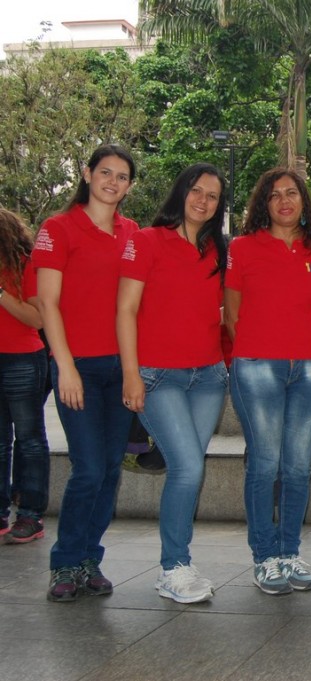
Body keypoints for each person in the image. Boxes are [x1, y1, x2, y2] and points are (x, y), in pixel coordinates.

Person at [117, 163, 229, 603]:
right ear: (181, 192)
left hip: (208, 377)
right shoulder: (146, 241)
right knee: (187, 467)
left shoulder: (217, 249)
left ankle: (178, 562)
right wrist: (131, 375)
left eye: (213, 196)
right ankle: (174, 567)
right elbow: (125, 310)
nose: (203, 201)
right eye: (196, 191)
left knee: (188, 467)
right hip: (157, 375)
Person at [32, 144, 139, 602]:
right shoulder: (58, 229)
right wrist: (65, 367)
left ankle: (89, 559)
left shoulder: (131, 233)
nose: (112, 182)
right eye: (105, 172)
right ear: (86, 173)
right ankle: (64, 562)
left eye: (122, 176)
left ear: (129, 186)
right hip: (78, 368)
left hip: (121, 367)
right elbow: (47, 303)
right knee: (89, 468)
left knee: (111, 469)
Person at [225, 168, 311, 595]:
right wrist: (260, 347)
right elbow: (232, 313)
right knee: (264, 463)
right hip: (257, 366)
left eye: (292, 193)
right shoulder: (242, 248)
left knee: (298, 467)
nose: (284, 201)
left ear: (303, 202)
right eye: (274, 195)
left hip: (309, 368)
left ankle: (290, 552)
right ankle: (265, 557)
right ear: (264, 204)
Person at [0, 208, 49, 544]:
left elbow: (37, 318)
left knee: (29, 439)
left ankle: (30, 515)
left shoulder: (23, 264)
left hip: (22, 360)